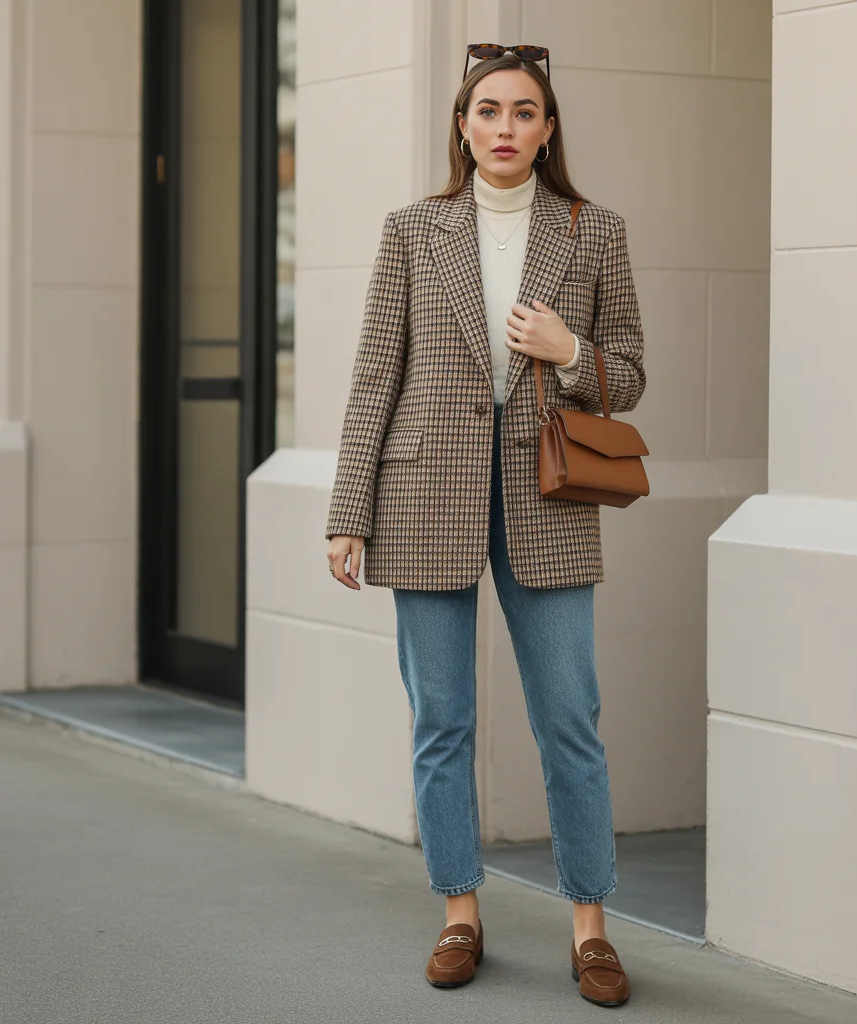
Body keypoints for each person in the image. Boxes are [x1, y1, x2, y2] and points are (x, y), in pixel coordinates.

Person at [325, 45, 645, 1007]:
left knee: (570, 722)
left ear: (549, 132)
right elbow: (374, 373)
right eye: (489, 110)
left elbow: (627, 373)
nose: (505, 127)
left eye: (526, 112)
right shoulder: (413, 231)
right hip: (424, 496)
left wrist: (570, 348)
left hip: (548, 502)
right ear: (463, 126)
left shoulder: (595, 232)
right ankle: (459, 911)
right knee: (442, 721)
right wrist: (350, 512)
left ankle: (590, 926)